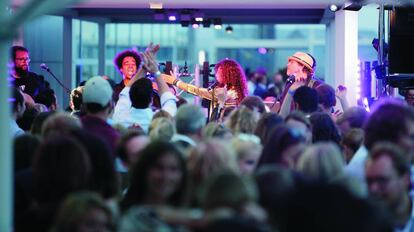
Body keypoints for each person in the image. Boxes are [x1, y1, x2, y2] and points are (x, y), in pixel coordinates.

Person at [163, 58, 248, 121]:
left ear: (225, 73)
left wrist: (176, 82)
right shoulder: (236, 90)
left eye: (218, 72)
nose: (216, 74)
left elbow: (198, 91)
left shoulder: (224, 93)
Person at [112, 51, 177, 132]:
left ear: (130, 97)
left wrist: (144, 67)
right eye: (126, 64)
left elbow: (124, 95)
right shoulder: (160, 122)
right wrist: (156, 71)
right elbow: (169, 100)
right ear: (151, 100)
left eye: (133, 64)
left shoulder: (119, 117)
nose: (130, 66)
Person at [276, 52, 323, 117]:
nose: (287, 65)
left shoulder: (317, 86)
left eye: (291, 62)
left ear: (303, 65)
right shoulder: (290, 83)